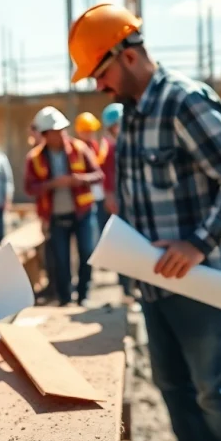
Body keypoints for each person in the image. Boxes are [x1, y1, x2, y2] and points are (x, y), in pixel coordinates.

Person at [69, 2, 221, 441]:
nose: (98, 86)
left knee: (209, 388)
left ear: (129, 54)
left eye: (101, 71)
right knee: (172, 383)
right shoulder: (132, 115)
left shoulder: (185, 101)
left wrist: (199, 244)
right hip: (153, 280)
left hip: (200, 281)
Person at [23, 106, 104, 306]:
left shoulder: (79, 149)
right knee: (61, 260)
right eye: (55, 132)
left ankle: (83, 295)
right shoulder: (34, 158)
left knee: (87, 252)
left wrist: (79, 179)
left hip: (82, 213)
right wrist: (51, 184)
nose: (60, 135)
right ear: (45, 135)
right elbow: (29, 188)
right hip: (55, 216)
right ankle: (65, 298)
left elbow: (98, 175)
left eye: (62, 130)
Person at [99, 102, 135, 297]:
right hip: (121, 204)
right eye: (117, 125)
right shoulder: (111, 149)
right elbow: (107, 175)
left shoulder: (133, 144)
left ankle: (137, 285)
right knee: (124, 246)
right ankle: (127, 288)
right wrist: (110, 197)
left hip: (136, 203)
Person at [74, 111, 109, 233]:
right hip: (87, 199)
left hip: (101, 193)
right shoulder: (76, 149)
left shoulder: (94, 145)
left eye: (92, 130)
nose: (91, 134)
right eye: (87, 131)